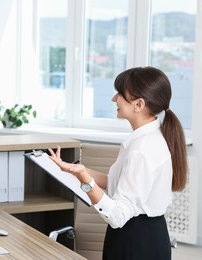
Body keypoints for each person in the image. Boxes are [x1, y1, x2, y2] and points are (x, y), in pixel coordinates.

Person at [48, 66, 188, 260]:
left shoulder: (142, 150)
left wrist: (86, 180)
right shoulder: (147, 139)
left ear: (138, 104)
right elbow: (117, 182)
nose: (114, 99)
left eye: (120, 94)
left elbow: (117, 216)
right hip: (144, 236)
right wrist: (74, 170)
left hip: (135, 242)